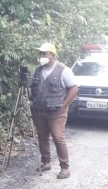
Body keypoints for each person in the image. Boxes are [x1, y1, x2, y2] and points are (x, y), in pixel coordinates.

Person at [29, 42, 79, 179]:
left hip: (57, 112)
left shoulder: (64, 70)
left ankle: (65, 168)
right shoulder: (37, 70)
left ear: (52, 55)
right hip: (39, 110)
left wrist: (64, 105)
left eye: (44, 53)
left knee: (58, 137)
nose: (41, 56)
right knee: (42, 136)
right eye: (40, 53)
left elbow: (74, 88)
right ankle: (46, 162)